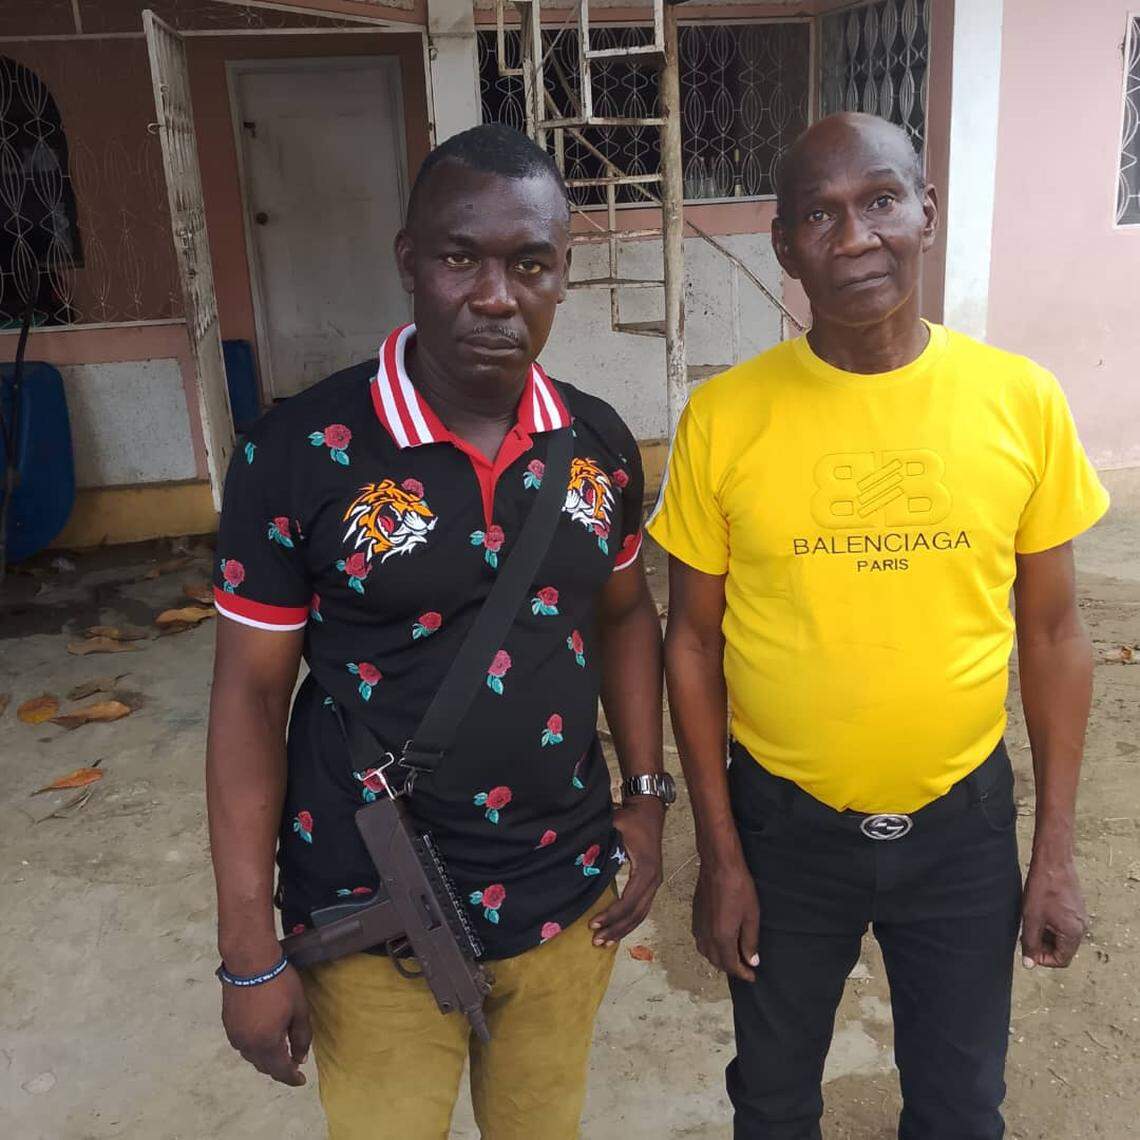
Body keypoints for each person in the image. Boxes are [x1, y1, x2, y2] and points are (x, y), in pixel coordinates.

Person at [648, 112, 1109, 1140]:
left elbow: (1052, 635)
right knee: (772, 1104)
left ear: (926, 213)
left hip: (963, 827)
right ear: (785, 247)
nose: (856, 237)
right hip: (782, 831)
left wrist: (1055, 851)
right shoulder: (725, 417)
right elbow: (691, 643)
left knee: (961, 1108)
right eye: (821, 215)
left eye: (882, 201)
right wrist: (719, 854)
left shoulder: (1020, 401)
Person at [205, 123, 672, 1138]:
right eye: (463, 258)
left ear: (563, 275)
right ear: (411, 260)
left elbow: (627, 614)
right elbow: (249, 694)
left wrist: (647, 795)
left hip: (564, 897)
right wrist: (247, 949)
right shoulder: (297, 453)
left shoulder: (597, 442)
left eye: (529, 264)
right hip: (371, 909)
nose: (497, 296)